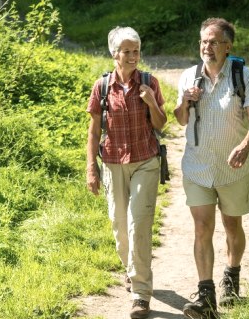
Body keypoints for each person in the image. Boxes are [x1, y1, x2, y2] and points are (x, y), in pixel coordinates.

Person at [173, 18, 249, 319]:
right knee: (202, 228)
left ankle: (232, 275)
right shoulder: (189, 76)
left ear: (228, 46)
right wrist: (185, 101)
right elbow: (180, 119)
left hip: (232, 168)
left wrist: (245, 145)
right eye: (203, 41)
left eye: (213, 42)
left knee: (232, 227)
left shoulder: (242, 76)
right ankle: (206, 294)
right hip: (197, 167)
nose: (206, 47)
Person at [86, 26, 167, 319]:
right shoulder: (102, 87)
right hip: (112, 162)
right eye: (127, 52)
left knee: (139, 225)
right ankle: (132, 271)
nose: (133, 56)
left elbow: (161, 124)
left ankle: (141, 295)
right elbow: (94, 132)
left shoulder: (150, 82)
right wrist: (90, 168)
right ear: (114, 54)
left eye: (136, 51)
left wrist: (150, 102)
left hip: (146, 160)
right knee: (120, 227)